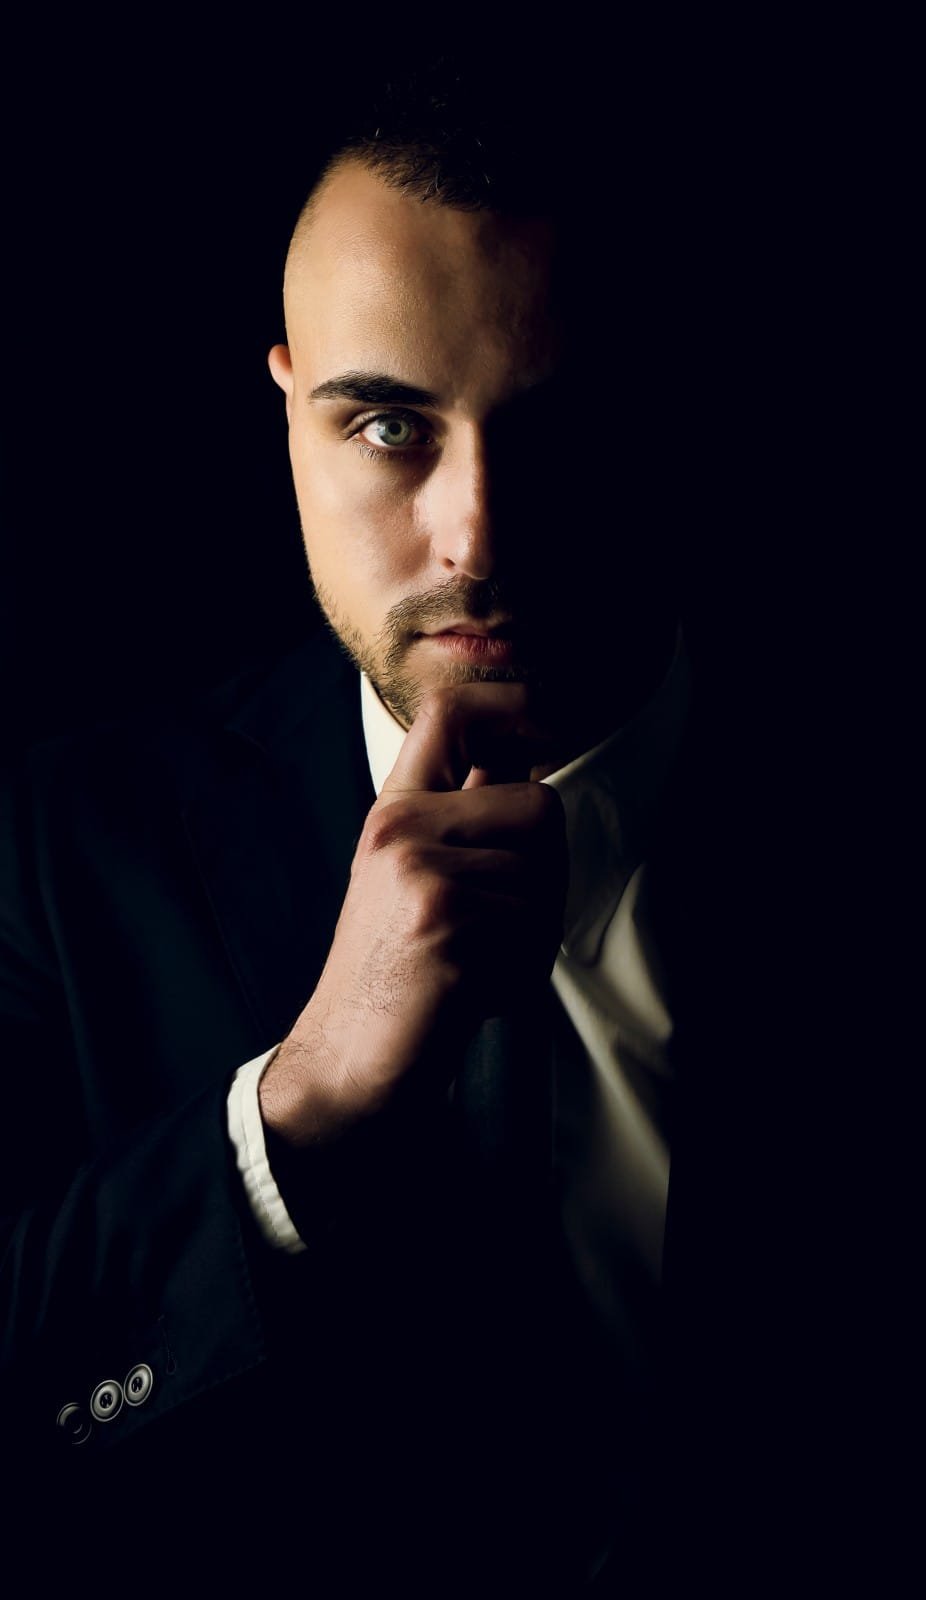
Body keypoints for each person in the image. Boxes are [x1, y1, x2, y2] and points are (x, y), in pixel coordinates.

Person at [1, 65, 695, 1592]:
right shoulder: (59, 853)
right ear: (288, 406)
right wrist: (299, 1107)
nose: (478, 536)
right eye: (389, 425)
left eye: (558, 423)